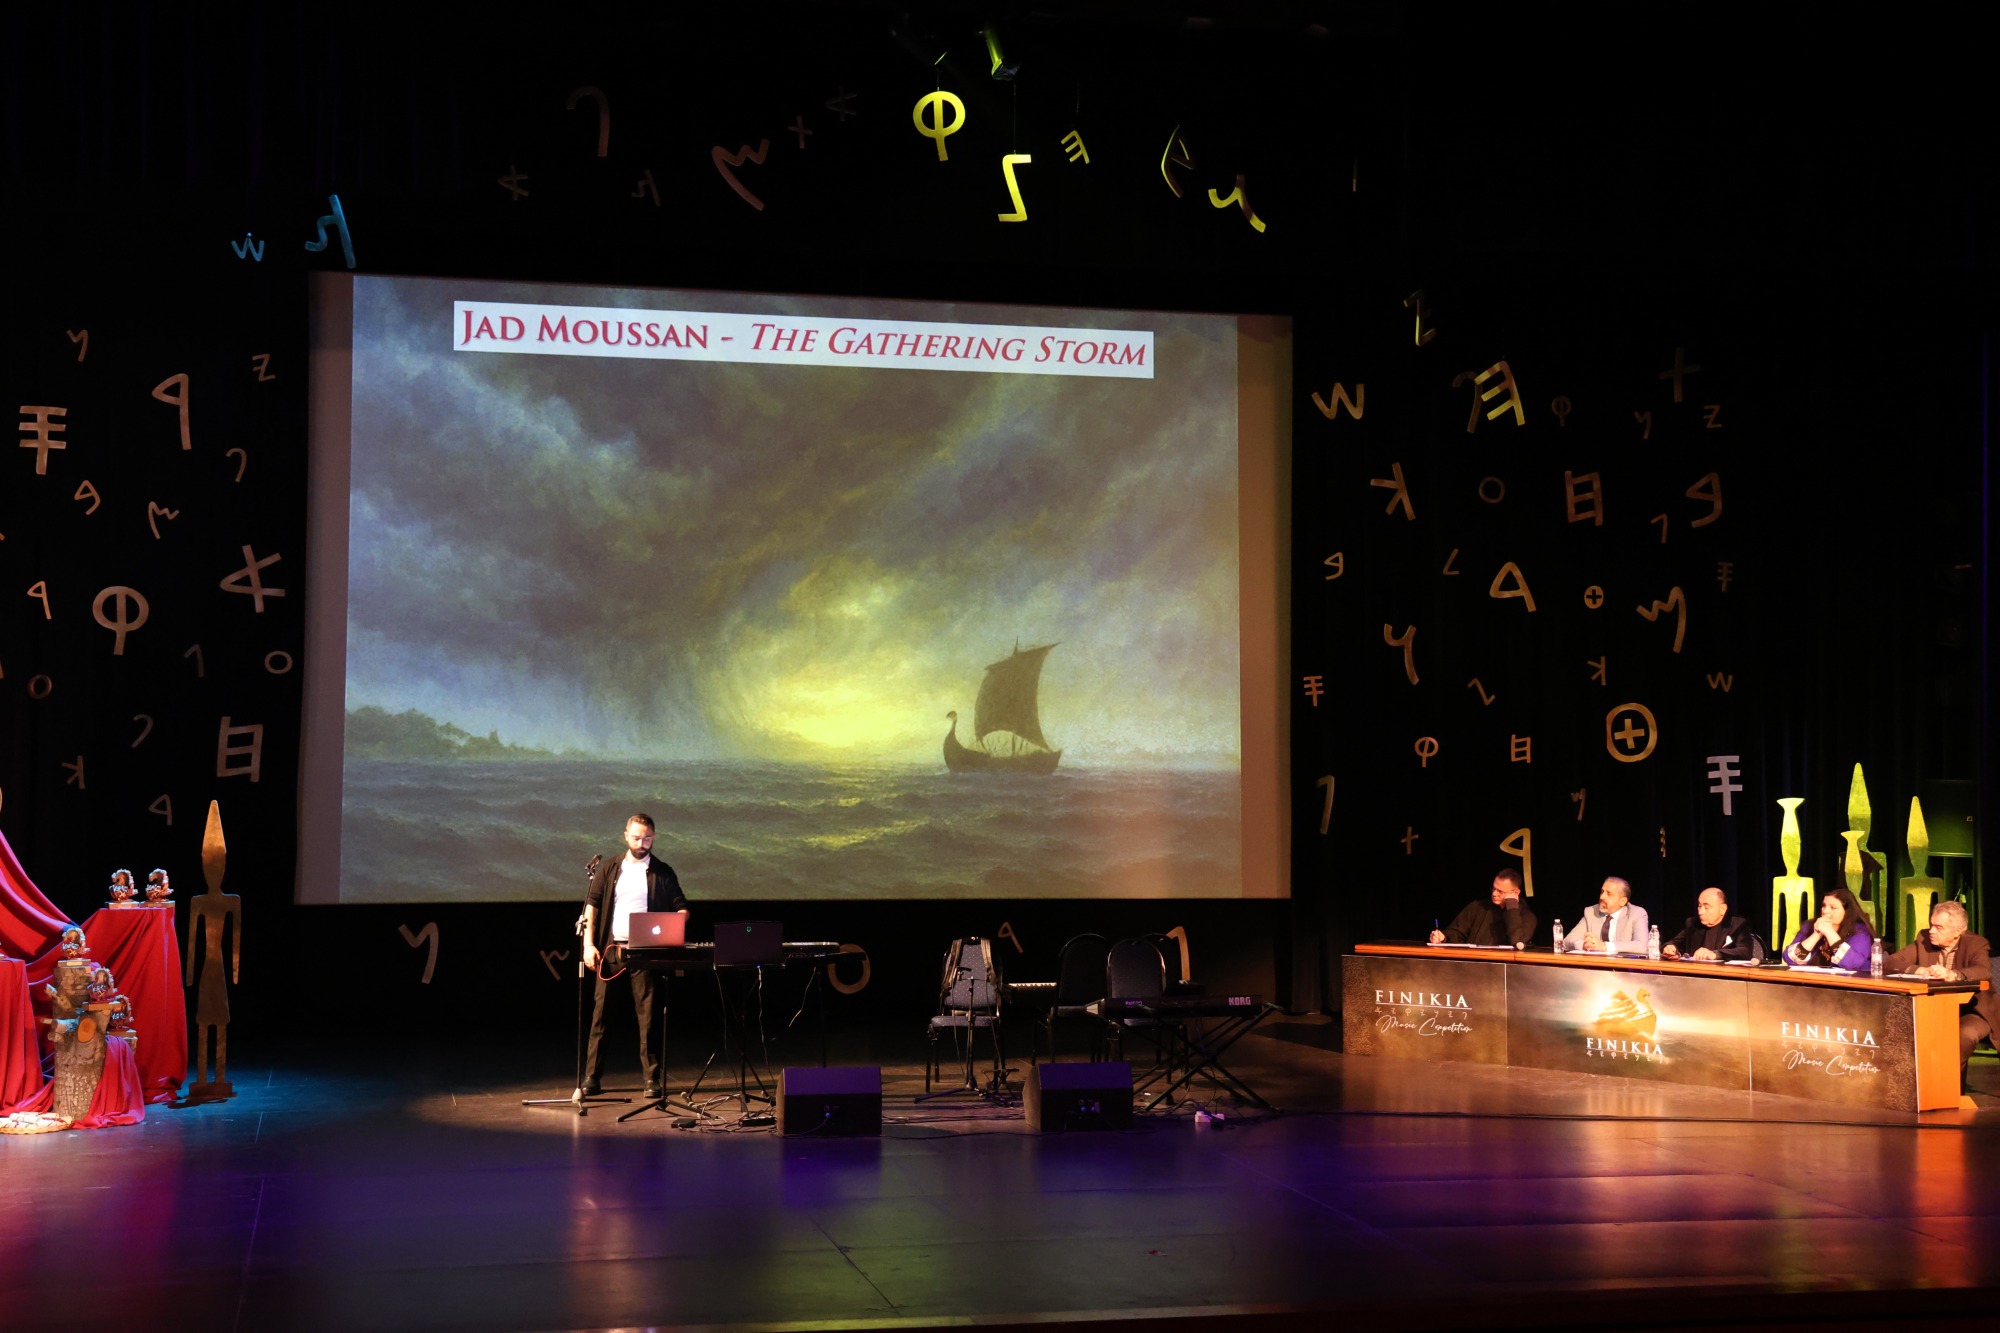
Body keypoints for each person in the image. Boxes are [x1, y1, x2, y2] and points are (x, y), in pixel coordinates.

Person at [581, 813, 688, 1098]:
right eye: (637, 837)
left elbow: (682, 907)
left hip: (645, 954)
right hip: (611, 951)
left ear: (654, 837)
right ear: (626, 836)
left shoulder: (662, 871)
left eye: (648, 838)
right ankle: (592, 1077)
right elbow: (592, 907)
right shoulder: (610, 868)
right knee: (601, 1016)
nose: (642, 843)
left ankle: (651, 1079)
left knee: (648, 1018)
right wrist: (588, 945)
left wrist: (672, 927)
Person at [1883, 900, 1993, 1092]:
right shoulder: (1924, 939)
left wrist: (1954, 974)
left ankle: (1948, 1090)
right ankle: (1914, 1089)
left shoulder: (1976, 943)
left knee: (1964, 1035)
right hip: (1932, 1008)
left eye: (1939, 927)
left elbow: (1982, 970)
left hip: (1972, 1011)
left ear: (1957, 931)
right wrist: (1920, 970)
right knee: (1898, 1025)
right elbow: (1891, 962)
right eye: (1931, 925)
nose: (1932, 931)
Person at [1428, 869, 1537, 947]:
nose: (1494, 894)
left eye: (1500, 891)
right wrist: (1443, 937)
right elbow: (1457, 933)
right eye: (1494, 888)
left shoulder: (1526, 916)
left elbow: (1516, 940)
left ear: (1516, 892)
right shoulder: (1478, 907)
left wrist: (1512, 905)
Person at [1783, 886, 1873, 971]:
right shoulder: (1810, 926)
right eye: (1824, 906)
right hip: (1813, 980)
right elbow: (1789, 958)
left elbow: (1852, 964)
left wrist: (1829, 932)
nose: (1825, 911)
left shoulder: (1859, 931)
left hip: (1848, 982)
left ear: (1847, 912)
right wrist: (1816, 935)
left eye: (1833, 907)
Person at [1661, 886, 1762, 961]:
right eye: (1699, 906)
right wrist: (1671, 947)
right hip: (1695, 976)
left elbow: (1745, 952)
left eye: (1706, 907)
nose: (1700, 912)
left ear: (1722, 909)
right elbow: (1676, 943)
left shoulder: (1738, 924)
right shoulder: (1693, 924)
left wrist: (1715, 954)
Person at [1564, 876, 1650, 953]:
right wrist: (1584, 945)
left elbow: (1642, 945)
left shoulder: (1636, 913)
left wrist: (1604, 946)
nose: (1602, 897)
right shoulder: (1591, 912)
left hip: (1624, 965)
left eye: (1609, 894)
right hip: (1595, 964)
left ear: (1622, 901)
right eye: (1602, 892)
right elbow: (1567, 941)